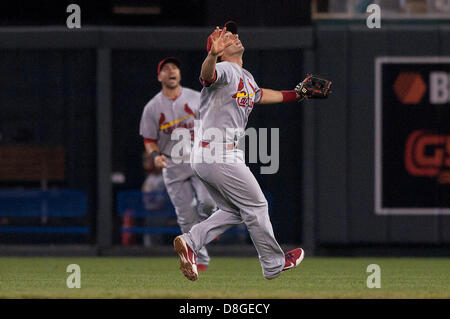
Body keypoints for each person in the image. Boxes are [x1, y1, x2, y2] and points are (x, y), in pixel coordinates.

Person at [174, 21, 307, 281]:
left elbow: (260, 95)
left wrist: (297, 94)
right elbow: (206, 76)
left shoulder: (245, 77)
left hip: (211, 156)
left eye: (235, 33)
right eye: (228, 36)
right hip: (217, 153)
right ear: (220, 50)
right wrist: (212, 55)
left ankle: (191, 242)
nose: (234, 36)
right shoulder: (223, 69)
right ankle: (273, 264)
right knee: (257, 206)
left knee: (235, 211)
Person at [140, 57, 217, 271]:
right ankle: (200, 260)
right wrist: (154, 155)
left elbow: (213, 123)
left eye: (175, 68)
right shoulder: (152, 107)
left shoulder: (196, 97)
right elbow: (149, 139)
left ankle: (208, 228)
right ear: (160, 76)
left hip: (198, 158)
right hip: (171, 164)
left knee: (208, 203)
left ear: (179, 74)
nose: (171, 71)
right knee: (185, 215)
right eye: (166, 69)